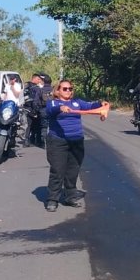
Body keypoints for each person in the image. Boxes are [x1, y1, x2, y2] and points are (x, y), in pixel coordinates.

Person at [43, 79, 110, 212]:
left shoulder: (77, 102)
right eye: (65, 89)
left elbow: (90, 106)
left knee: (73, 170)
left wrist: (100, 104)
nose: (68, 91)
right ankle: (52, 199)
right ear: (58, 90)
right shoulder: (53, 102)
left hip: (76, 141)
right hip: (58, 141)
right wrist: (60, 108)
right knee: (57, 170)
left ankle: (70, 196)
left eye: (70, 89)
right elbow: (50, 111)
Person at [24, 73, 46, 147]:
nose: (39, 81)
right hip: (34, 109)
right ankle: (37, 141)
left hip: (28, 108)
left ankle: (29, 140)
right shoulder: (36, 88)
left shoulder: (26, 87)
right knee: (36, 125)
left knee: (29, 125)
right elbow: (37, 100)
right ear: (35, 79)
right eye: (39, 79)